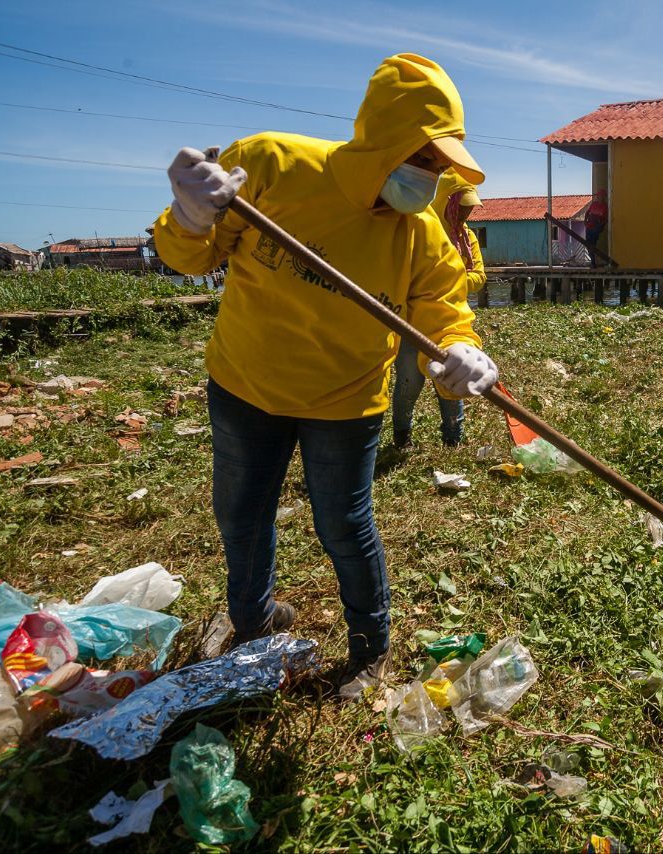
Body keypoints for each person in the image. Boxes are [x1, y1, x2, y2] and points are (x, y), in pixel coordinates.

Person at [152, 53, 499, 700]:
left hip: (346, 402)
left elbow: (444, 315)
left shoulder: (422, 236)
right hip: (246, 385)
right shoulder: (272, 165)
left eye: (439, 165)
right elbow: (190, 257)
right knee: (242, 516)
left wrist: (459, 354)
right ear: (382, 141)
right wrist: (191, 216)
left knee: (344, 525)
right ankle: (253, 631)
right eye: (422, 158)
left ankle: (371, 647)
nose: (431, 178)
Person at [392, 174, 486, 447]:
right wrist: (455, 278)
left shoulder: (468, 237)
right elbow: (404, 278)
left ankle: (453, 439)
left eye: (470, 207)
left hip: (451, 321)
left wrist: (439, 281)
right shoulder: (417, 233)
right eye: (463, 205)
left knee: (451, 383)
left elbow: (478, 277)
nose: (467, 212)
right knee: (409, 382)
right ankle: (401, 437)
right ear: (446, 201)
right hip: (412, 324)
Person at [584, 188, 608, 268]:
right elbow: (587, 213)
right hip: (589, 226)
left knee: (592, 244)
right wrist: (585, 220)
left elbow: (605, 219)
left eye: (600, 196)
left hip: (596, 227)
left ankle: (594, 262)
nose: (598, 197)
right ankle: (593, 262)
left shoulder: (605, 206)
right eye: (598, 196)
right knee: (588, 244)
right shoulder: (594, 204)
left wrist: (601, 226)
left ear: (604, 196)